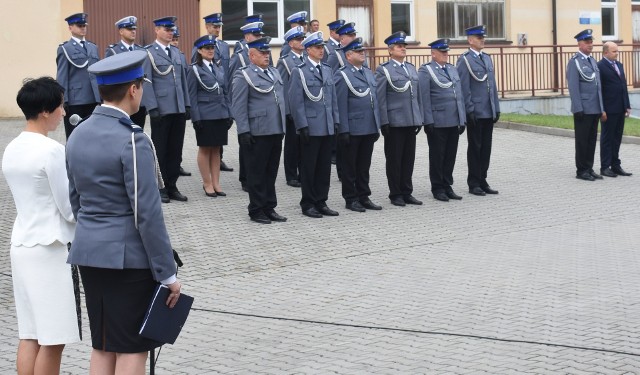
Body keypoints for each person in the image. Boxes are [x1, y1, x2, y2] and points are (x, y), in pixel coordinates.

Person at [66, 50, 182, 375]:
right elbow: (147, 214)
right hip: (127, 261)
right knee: (132, 348)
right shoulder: (133, 139)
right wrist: (167, 273)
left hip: (89, 253)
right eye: (141, 86)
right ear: (133, 89)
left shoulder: (77, 134)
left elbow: (76, 200)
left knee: (103, 344)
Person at [2, 77, 80, 375]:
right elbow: (69, 209)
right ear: (46, 110)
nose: (63, 112)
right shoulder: (51, 150)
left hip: (22, 245)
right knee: (53, 338)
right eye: (60, 106)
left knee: (30, 333)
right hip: (50, 249)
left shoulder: (12, 147)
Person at [231, 36, 287, 224]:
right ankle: (256, 209)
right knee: (257, 173)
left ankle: (269, 207)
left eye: (268, 52)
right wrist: (243, 131)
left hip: (275, 129)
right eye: (262, 53)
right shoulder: (243, 75)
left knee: (270, 172)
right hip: (257, 131)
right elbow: (238, 105)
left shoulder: (274, 72)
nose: (267, 56)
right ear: (252, 55)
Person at [289, 31, 341, 218]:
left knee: (324, 167)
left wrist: (335, 121)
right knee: (309, 166)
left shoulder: (327, 69)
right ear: (308, 49)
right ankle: (308, 203)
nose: (321, 51)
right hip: (311, 126)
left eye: (322, 47)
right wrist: (302, 125)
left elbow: (333, 98)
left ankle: (321, 200)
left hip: (326, 125)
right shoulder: (299, 71)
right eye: (318, 47)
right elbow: (296, 101)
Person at [141, 16, 191, 202]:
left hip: (177, 108)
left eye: (172, 30)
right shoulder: (149, 53)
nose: (170, 33)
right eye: (167, 29)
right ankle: (160, 187)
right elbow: (146, 82)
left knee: (175, 150)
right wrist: (152, 107)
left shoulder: (177, 53)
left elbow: (183, 81)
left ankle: (172, 185)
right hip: (161, 110)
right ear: (157, 30)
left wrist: (186, 104)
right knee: (160, 150)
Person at [375, 31, 424, 207]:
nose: (403, 49)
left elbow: (417, 96)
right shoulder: (384, 70)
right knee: (395, 159)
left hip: (410, 120)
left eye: (404, 46)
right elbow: (380, 97)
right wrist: (384, 121)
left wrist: (419, 118)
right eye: (399, 46)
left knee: (408, 158)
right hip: (394, 121)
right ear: (390, 50)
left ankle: (406, 191)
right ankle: (395, 193)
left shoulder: (410, 68)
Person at [334, 37, 382, 212]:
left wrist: (376, 125)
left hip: (368, 126)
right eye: (359, 51)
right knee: (350, 166)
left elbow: (374, 100)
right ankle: (350, 198)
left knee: (364, 165)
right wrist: (343, 129)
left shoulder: (368, 72)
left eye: (363, 51)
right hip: (352, 128)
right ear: (348, 55)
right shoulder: (342, 75)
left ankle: (364, 195)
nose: (363, 54)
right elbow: (340, 104)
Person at [418, 39, 466, 202]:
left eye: (446, 52)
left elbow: (458, 96)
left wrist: (462, 118)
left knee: (450, 155)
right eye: (442, 52)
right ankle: (437, 187)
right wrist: (427, 120)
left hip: (453, 119)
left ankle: (447, 185)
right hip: (437, 120)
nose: (446, 54)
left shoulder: (452, 69)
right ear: (433, 53)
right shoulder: (426, 71)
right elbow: (424, 97)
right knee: (438, 155)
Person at [456, 25, 500, 196]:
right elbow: (463, 87)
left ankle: (483, 179)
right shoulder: (465, 60)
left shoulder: (487, 58)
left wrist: (496, 107)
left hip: (488, 110)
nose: (482, 40)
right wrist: (469, 110)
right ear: (470, 40)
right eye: (479, 37)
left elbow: (492, 86)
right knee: (475, 147)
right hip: (476, 111)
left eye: (483, 37)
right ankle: (474, 182)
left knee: (486, 148)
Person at [188, 35, 232, 198]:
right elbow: (192, 96)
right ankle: (207, 183)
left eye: (212, 48)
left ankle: (216, 183)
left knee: (217, 149)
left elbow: (225, 92)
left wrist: (229, 113)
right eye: (207, 48)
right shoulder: (194, 69)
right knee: (205, 149)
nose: (210, 51)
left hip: (220, 113)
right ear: (199, 50)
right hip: (205, 115)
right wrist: (196, 117)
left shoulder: (219, 67)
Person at [229, 19, 270, 192]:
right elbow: (231, 80)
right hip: (245, 105)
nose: (258, 37)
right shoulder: (239, 56)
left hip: (263, 107)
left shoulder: (264, 53)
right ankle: (245, 178)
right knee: (245, 143)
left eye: (260, 34)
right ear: (247, 37)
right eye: (255, 35)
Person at [191, 12, 234, 173]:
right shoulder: (199, 45)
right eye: (215, 26)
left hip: (220, 98)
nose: (217, 29)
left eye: (219, 26)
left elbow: (226, 72)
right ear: (207, 27)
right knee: (207, 144)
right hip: (206, 101)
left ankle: (219, 161)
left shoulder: (222, 46)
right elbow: (195, 71)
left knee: (218, 143)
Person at [567, 29, 604, 182]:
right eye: (587, 42)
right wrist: (578, 108)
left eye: (591, 42)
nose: (590, 44)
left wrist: (601, 108)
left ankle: (589, 167)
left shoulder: (592, 61)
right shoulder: (574, 62)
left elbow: (598, 87)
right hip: (583, 109)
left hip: (594, 108)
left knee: (591, 140)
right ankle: (581, 170)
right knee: (582, 141)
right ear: (580, 43)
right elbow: (573, 87)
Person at [56, 12, 100, 139]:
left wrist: (101, 96)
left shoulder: (93, 47)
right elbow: (62, 76)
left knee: (93, 135)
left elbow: (97, 73)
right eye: (79, 25)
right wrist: (63, 100)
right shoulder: (65, 48)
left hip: (93, 98)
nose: (83, 28)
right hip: (75, 100)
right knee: (75, 135)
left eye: (84, 25)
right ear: (70, 28)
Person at [105, 16, 148, 129]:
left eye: (134, 29)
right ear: (121, 31)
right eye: (129, 29)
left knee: (138, 133)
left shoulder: (141, 50)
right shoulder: (113, 51)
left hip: (138, 100)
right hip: (122, 99)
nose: (133, 31)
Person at [276, 26, 306, 188]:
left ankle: (303, 172)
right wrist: (287, 110)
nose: (301, 42)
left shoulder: (306, 58)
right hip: (292, 110)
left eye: (302, 39)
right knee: (292, 144)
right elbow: (283, 87)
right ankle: (291, 175)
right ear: (291, 43)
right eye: (298, 40)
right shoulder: (285, 61)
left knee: (304, 143)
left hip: (306, 108)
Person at [598, 41, 633, 177]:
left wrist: (627, 105)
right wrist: (602, 109)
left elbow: (623, 86)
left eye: (617, 51)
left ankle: (615, 165)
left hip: (620, 108)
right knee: (607, 138)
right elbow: (599, 90)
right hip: (608, 109)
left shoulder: (619, 65)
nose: (617, 53)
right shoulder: (600, 66)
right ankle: (605, 167)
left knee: (617, 137)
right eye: (614, 51)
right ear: (605, 52)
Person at [169, 25, 194, 178]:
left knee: (177, 143)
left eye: (177, 39)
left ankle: (177, 165)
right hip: (167, 105)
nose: (176, 42)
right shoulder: (153, 53)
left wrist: (187, 103)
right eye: (173, 39)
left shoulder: (181, 55)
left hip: (180, 103)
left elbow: (185, 80)